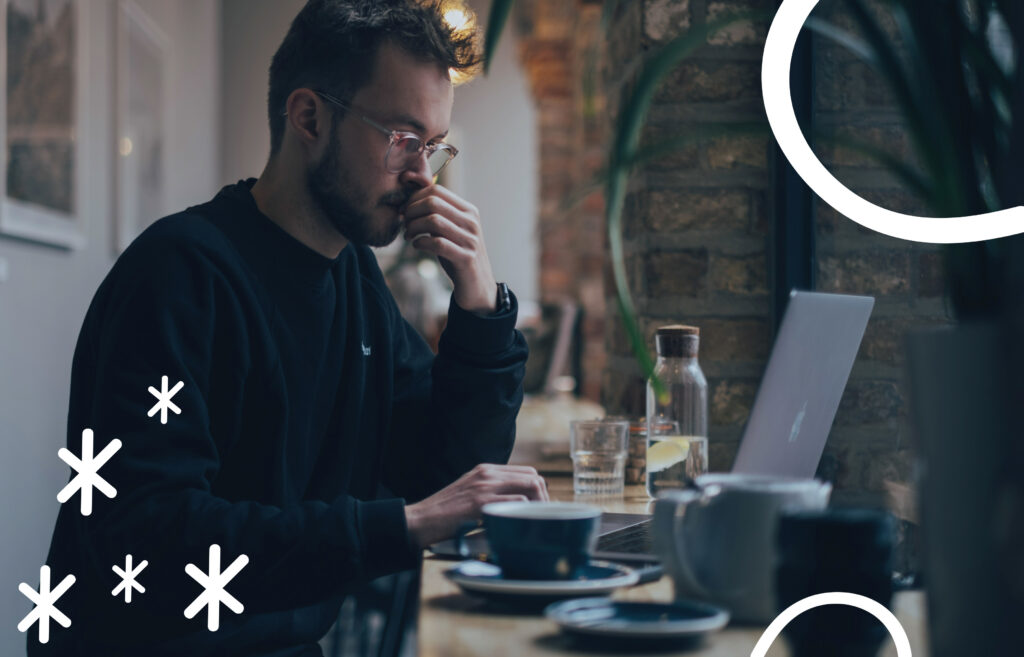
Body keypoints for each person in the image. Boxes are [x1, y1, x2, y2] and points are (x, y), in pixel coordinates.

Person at [32, 1, 547, 655]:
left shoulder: (354, 278)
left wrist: (478, 304)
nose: (424, 174)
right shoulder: (178, 274)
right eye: (402, 138)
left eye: (434, 146)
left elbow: (443, 466)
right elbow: (151, 536)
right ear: (309, 116)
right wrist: (402, 525)